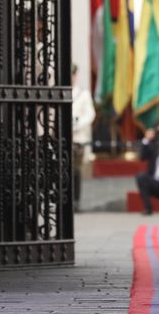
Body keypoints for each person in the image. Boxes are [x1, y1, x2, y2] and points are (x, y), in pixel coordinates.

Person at [71, 64, 95, 212]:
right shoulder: (59, 91)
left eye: (73, 75)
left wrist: (78, 123)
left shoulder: (82, 94)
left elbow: (90, 114)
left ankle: (76, 201)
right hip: (62, 137)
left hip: (78, 138)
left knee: (76, 171)